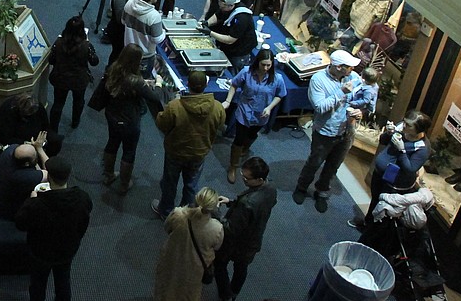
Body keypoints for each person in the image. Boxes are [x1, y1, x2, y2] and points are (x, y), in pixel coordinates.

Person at [14, 156, 93, 301]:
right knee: (63, 280)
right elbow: (83, 223)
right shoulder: (82, 197)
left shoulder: (39, 204)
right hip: (67, 250)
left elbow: (20, 223)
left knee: (38, 285)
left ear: (48, 177)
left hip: (41, 252)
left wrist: (31, 199)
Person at [202, 157, 277, 301]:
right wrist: (232, 202)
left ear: (259, 179)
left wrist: (216, 214)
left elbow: (230, 229)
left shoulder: (247, 204)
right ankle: (233, 294)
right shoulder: (271, 188)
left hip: (237, 244)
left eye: (246, 178)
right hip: (253, 240)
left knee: (220, 266)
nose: (243, 180)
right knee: (241, 268)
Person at [292, 49, 364, 213]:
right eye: (349, 67)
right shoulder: (318, 80)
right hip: (326, 131)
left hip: (346, 130)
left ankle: (322, 190)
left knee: (334, 165)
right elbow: (320, 107)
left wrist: (360, 111)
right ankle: (302, 187)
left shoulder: (353, 77)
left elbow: (361, 97)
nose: (352, 70)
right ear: (339, 67)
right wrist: (341, 92)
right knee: (315, 162)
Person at [152, 71, 226, 218]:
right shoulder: (218, 107)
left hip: (175, 152)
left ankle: (166, 211)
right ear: (206, 85)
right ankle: (187, 213)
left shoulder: (175, 106)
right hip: (199, 153)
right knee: (191, 185)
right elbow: (220, 125)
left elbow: (161, 123)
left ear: (188, 84)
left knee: (170, 183)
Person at [152, 187, 224, 301]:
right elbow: (217, 246)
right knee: (187, 290)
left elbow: (167, 227)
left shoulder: (179, 214)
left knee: (167, 288)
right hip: (195, 266)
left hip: (172, 259)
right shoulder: (217, 228)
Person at [101, 45, 165, 194]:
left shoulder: (113, 69)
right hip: (129, 121)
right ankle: (124, 184)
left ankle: (108, 175)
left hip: (112, 115)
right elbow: (155, 98)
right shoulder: (136, 81)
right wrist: (158, 84)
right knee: (129, 151)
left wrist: (144, 84)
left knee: (112, 143)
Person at [356, 109, 432, 226]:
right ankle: (367, 223)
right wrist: (389, 133)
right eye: (404, 122)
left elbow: (410, 169)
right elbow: (383, 141)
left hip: (394, 181)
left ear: (419, 130)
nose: (404, 126)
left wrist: (401, 150)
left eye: (409, 125)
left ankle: (372, 232)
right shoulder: (401, 127)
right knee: (375, 199)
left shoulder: (422, 148)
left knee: (384, 207)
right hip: (380, 173)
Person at [222, 49, 286, 182]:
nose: (266, 68)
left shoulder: (277, 78)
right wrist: (228, 101)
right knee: (238, 139)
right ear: (257, 62)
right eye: (263, 65)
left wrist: (269, 107)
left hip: (261, 115)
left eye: (269, 65)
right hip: (245, 112)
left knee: (252, 135)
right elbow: (234, 84)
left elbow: (280, 95)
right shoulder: (246, 72)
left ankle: (245, 149)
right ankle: (233, 166)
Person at [46, 15, 100, 133]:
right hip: (79, 79)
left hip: (60, 77)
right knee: (78, 101)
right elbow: (95, 62)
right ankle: (75, 122)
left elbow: (51, 60)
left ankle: (53, 128)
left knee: (58, 103)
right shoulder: (86, 46)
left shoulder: (58, 43)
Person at [0, 92, 62, 169]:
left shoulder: (37, 107)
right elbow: (5, 137)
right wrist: (27, 144)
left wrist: (42, 138)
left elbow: (45, 126)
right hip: (13, 139)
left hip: (33, 137)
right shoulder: (8, 110)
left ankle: (44, 160)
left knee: (55, 140)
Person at [0, 138, 48, 219]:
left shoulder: (10, 149)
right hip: (9, 210)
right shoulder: (23, 176)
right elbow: (51, 172)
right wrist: (39, 149)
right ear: (26, 164)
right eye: (35, 156)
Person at [123, 0, 166, 78]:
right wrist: (164, 32)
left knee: (126, 77)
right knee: (141, 81)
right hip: (144, 56)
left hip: (127, 50)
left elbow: (123, 21)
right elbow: (157, 39)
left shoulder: (129, 3)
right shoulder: (154, 16)